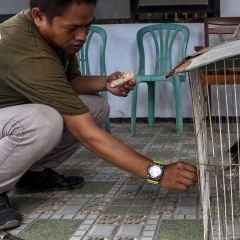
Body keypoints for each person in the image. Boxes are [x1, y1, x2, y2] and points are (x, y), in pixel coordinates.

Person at [0, 0, 198, 230]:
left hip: (9, 113)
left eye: (87, 26)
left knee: (96, 106)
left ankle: (30, 175)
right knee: (43, 121)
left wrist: (105, 83)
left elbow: (68, 83)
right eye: (73, 28)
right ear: (39, 16)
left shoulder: (54, 36)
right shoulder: (27, 50)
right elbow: (85, 132)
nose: (82, 36)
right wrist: (158, 173)